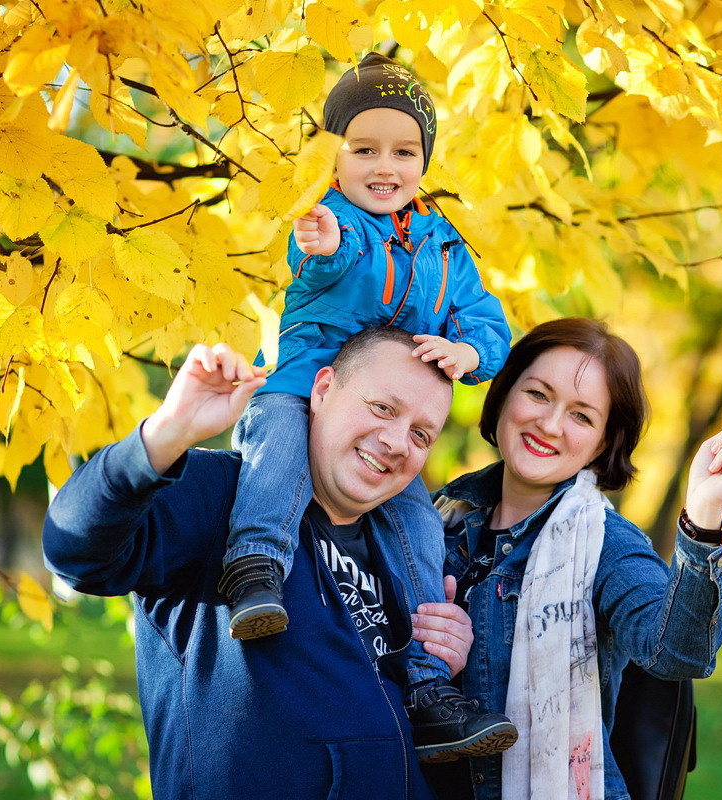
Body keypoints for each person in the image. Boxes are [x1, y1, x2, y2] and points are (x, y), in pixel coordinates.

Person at [42, 327, 513, 799]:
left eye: (420, 434)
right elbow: (74, 550)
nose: (396, 441)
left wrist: (443, 658)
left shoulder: (409, 549)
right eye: (382, 408)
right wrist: (168, 432)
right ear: (323, 388)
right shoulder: (223, 495)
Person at [220, 52, 513, 760]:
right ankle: (255, 568)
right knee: (280, 452)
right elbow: (330, 258)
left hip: (381, 423)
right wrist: (318, 244)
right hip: (303, 386)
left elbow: (488, 321)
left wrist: (470, 354)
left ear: (423, 160)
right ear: (335, 157)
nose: (385, 166)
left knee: (418, 525)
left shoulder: (444, 245)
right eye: (364, 148)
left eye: (404, 150)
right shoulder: (336, 221)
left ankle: (424, 681)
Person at [411, 317, 722, 800]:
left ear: (603, 443)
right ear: (505, 394)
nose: (550, 424)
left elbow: (679, 652)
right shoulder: (429, 516)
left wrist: (703, 513)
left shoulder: (605, 544)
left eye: (582, 415)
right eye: (537, 394)